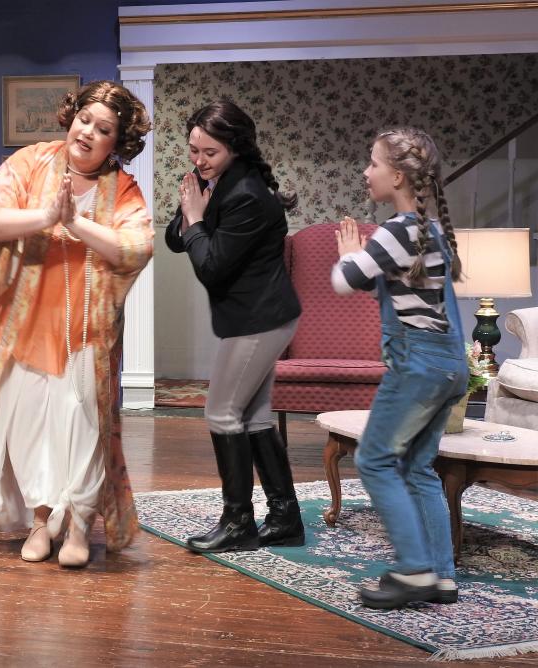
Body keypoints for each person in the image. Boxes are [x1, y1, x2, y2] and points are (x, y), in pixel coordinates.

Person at [0, 80, 153, 568]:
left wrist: (75, 224)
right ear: (72, 116)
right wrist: (47, 215)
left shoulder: (122, 188)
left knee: (82, 431)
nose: (88, 132)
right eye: (85, 119)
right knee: (30, 430)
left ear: (118, 142)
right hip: (24, 329)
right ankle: (39, 522)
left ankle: (77, 527)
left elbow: (136, 247)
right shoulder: (32, 161)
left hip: (85, 336)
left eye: (104, 129)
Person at [332, 127, 467, 609]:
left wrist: (349, 256)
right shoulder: (429, 231)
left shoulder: (397, 229)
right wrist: (362, 259)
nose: (366, 172)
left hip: (418, 365)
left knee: (374, 458)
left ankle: (413, 571)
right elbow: (401, 293)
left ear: (396, 174)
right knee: (417, 466)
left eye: (372, 163)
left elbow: (345, 281)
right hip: (449, 364)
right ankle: (442, 575)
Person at [165, 99, 304, 554]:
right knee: (254, 416)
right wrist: (191, 207)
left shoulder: (245, 194)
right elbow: (175, 239)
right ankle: (284, 518)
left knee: (221, 412)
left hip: (259, 319)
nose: (199, 160)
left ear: (236, 149)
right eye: (193, 150)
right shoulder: (220, 182)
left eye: (210, 153)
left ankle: (238, 522)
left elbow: (210, 267)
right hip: (257, 315)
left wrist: (197, 216)